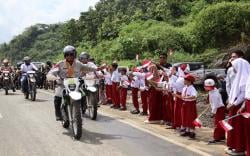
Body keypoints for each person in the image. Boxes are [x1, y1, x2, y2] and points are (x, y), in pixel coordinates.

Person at [47, 45, 103, 121]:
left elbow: (87, 68)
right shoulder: (60, 64)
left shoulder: (78, 63)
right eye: (67, 54)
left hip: (76, 84)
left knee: (83, 92)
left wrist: (97, 69)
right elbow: (51, 72)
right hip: (63, 84)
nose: (69, 56)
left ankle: (83, 106)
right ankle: (58, 114)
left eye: (71, 54)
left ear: (74, 55)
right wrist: (52, 77)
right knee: (58, 96)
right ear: (64, 55)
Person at [226, 58, 249, 155]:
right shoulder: (238, 76)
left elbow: (243, 94)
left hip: (238, 105)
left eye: (234, 66)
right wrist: (230, 101)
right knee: (233, 126)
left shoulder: (244, 77)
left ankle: (239, 147)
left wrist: (234, 104)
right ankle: (233, 145)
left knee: (239, 128)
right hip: (234, 104)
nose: (233, 68)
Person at [204, 79, 226, 144]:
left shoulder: (215, 94)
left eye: (206, 86)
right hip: (219, 108)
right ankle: (221, 136)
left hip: (219, 109)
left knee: (217, 124)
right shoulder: (212, 91)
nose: (205, 87)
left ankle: (216, 137)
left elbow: (215, 105)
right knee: (221, 123)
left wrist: (213, 112)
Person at [180, 74, 197, 139]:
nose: (184, 81)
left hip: (190, 104)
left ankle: (192, 131)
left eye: (185, 80)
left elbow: (194, 96)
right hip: (185, 103)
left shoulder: (192, 88)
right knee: (185, 117)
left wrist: (186, 97)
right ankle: (187, 130)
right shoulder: (184, 88)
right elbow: (182, 96)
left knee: (191, 117)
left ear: (189, 81)